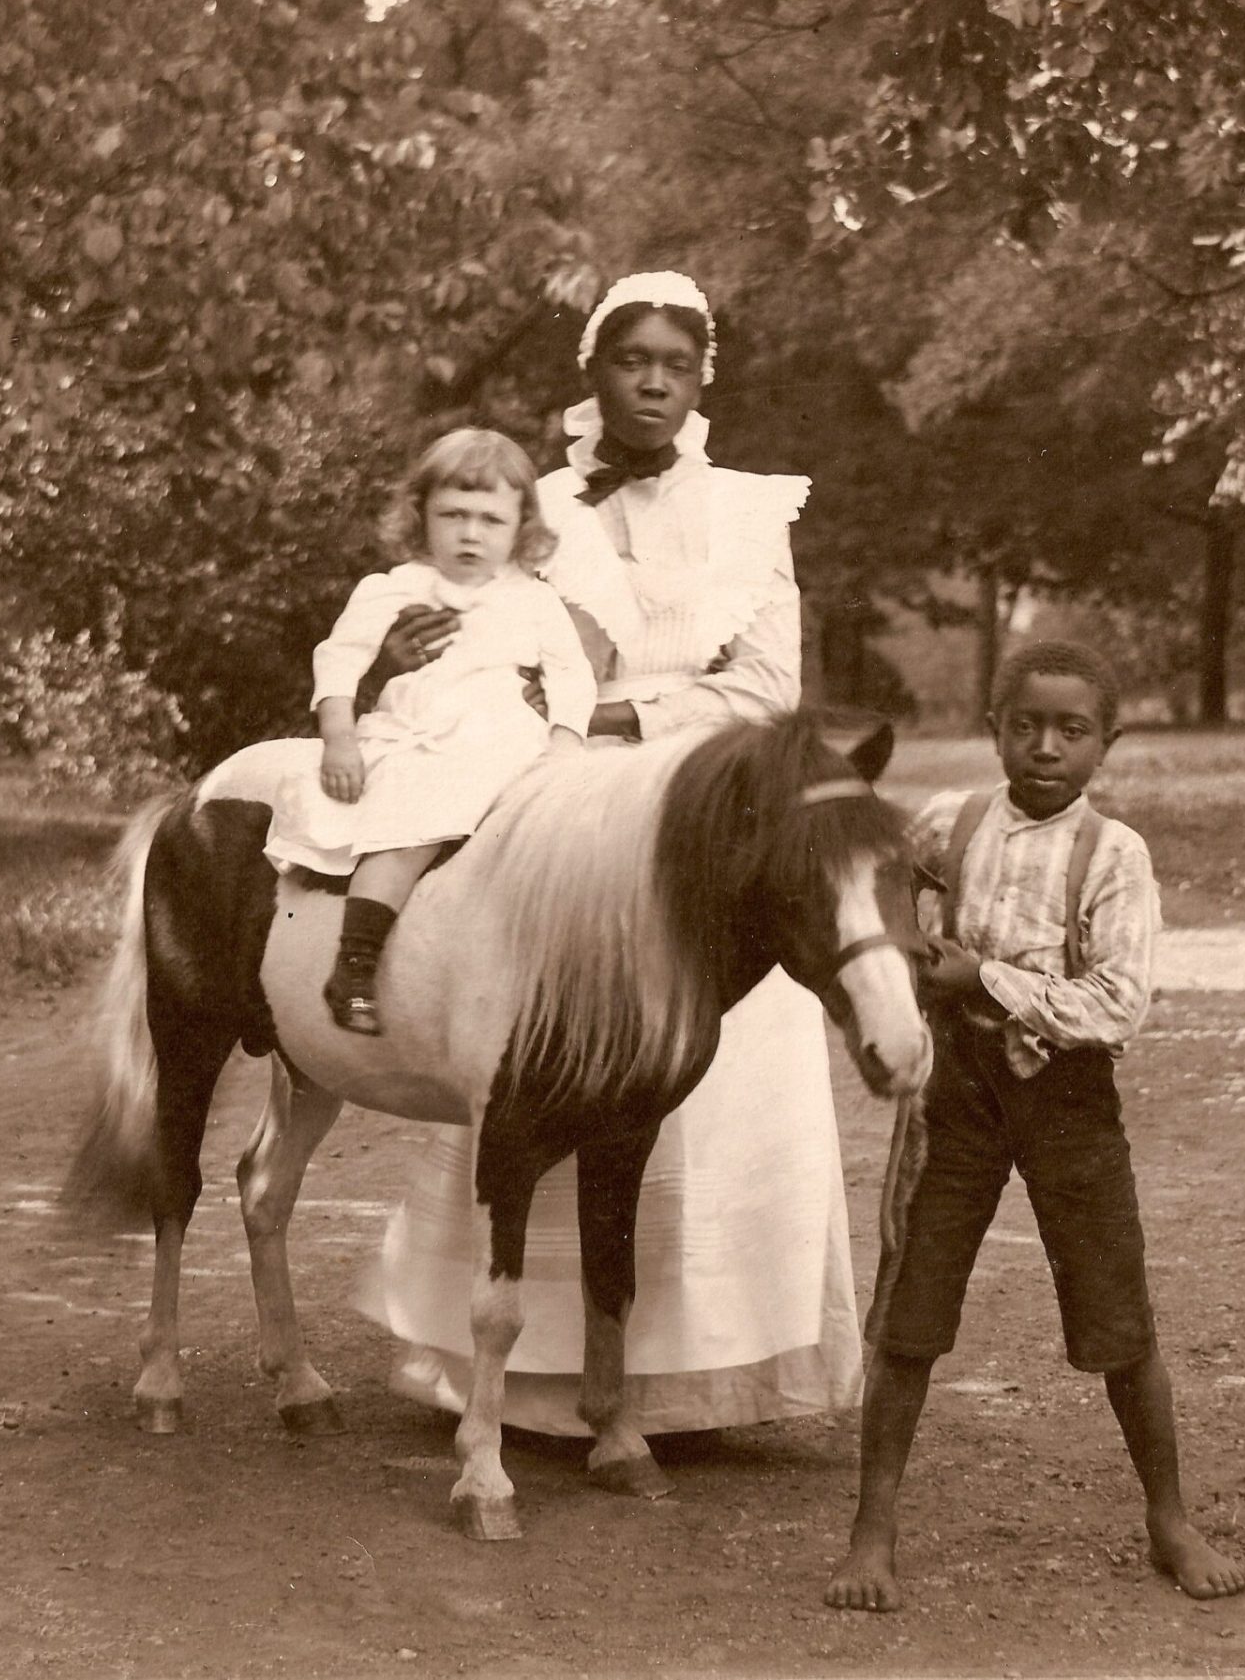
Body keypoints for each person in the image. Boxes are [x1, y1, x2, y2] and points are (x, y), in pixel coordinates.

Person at [351, 270, 864, 1437]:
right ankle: (510, 1379)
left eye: (674, 364)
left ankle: (687, 1380)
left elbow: (768, 687)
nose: (651, 380)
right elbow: (496, 634)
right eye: (630, 358)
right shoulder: (544, 508)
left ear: (700, 380)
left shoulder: (746, 511)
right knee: (521, 1045)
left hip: (699, 795)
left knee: (699, 1082)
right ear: (593, 372)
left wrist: (631, 721)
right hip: (560, 781)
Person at [825, 639, 1245, 1611]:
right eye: (1025, 725)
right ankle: (872, 1530)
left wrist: (987, 978)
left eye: (1072, 730)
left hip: (1069, 1101)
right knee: (910, 1310)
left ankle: (1171, 1517)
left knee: (1117, 1312)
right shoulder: (951, 819)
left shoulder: (1116, 854)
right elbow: (884, 868)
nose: (1046, 747)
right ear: (994, 729)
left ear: (1109, 742)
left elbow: (1120, 1002)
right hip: (955, 1095)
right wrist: (908, 934)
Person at [263, 427, 594, 1035]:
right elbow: (339, 660)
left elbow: (573, 675)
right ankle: (356, 963)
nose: (471, 534)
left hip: (510, 744)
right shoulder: (393, 588)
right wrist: (338, 737)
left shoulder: (535, 599)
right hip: (422, 737)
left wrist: (567, 740)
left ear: (522, 528)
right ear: (421, 517)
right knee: (408, 826)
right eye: (453, 515)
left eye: (492, 520)